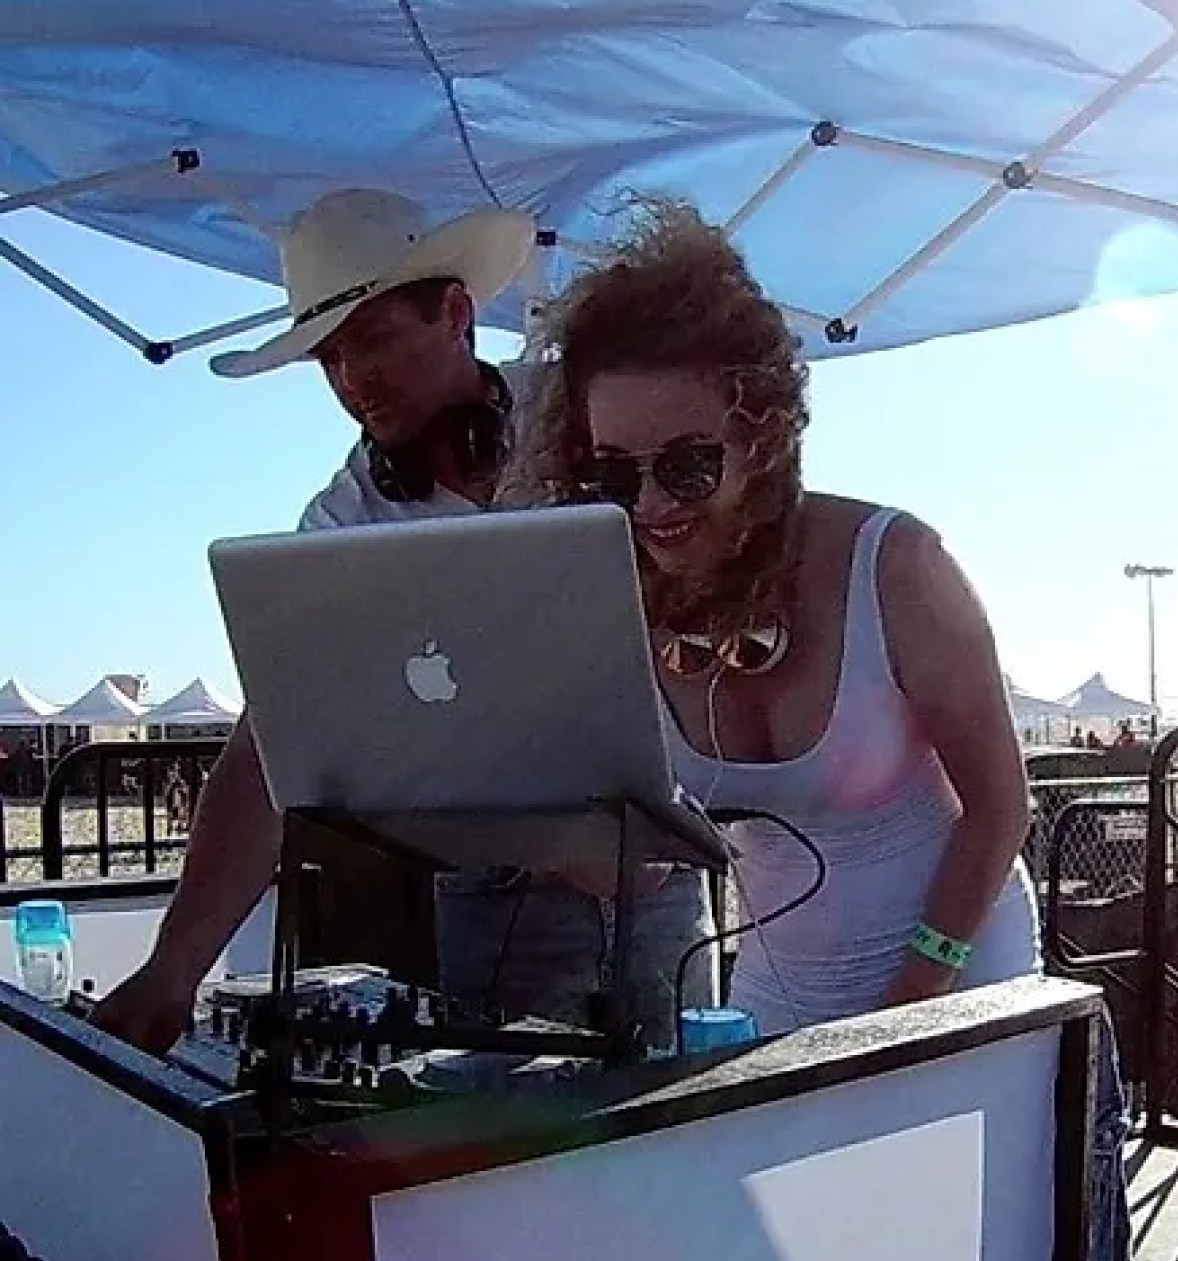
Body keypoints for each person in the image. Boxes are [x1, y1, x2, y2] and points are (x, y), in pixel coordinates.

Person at [94, 188, 716, 1055]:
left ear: (457, 312)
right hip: (477, 892)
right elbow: (271, 741)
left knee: (666, 1136)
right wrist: (174, 969)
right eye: (331, 359)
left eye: (376, 340)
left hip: (645, 876)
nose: (356, 380)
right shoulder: (344, 521)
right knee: (493, 1144)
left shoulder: (595, 420)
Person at [503, 201, 1040, 1033]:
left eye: (686, 465)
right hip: (779, 1003)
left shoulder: (895, 566)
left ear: (761, 440)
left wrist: (914, 1000)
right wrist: (511, 822)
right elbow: (644, 872)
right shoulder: (620, 604)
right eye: (612, 474)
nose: (648, 507)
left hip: (959, 973)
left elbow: (1002, 806)